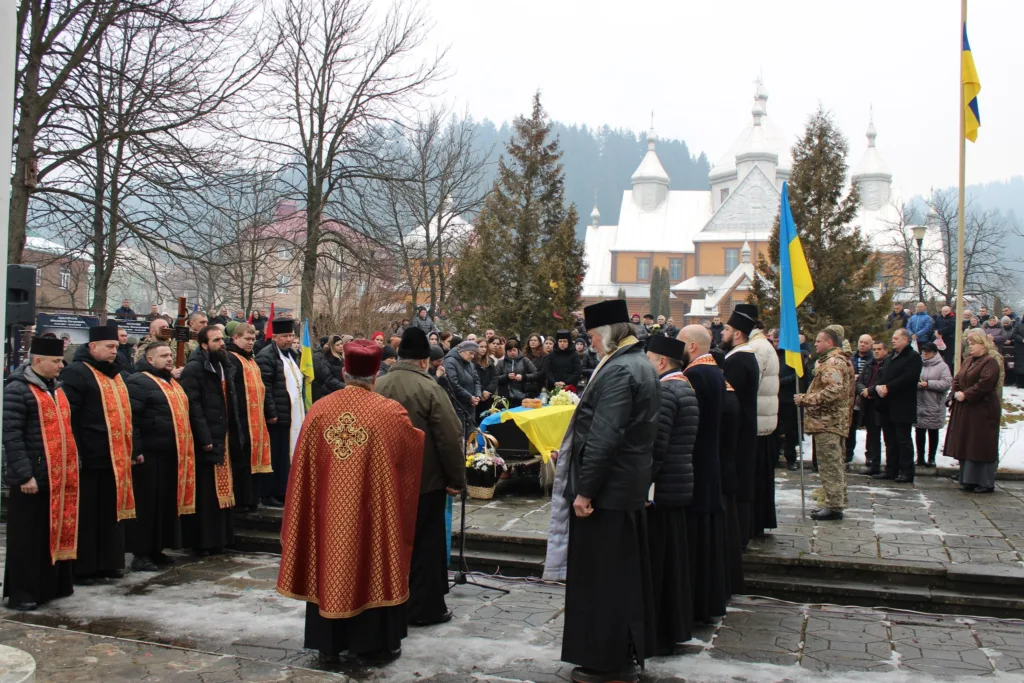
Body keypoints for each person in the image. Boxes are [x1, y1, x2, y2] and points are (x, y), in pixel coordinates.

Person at [277, 340, 425, 663]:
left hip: (327, 515)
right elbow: (413, 447)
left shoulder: (319, 410)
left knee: (330, 564)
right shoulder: (389, 413)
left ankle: (328, 643)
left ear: (344, 372)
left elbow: (302, 468)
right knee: (372, 562)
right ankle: (372, 645)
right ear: (375, 376)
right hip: (371, 516)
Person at [545, 299, 658, 683]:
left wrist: (585, 490)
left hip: (606, 494)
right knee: (619, 575)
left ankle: (603, 660)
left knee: (601, 580)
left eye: (592, 336)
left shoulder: (619, 370)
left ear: (608, 333)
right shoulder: (637, 363)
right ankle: (617, 653)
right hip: (624, 486)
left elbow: (606, 437)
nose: (590, 343)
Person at [375, 328, 465, 627]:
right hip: (425, 484)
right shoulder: (430, 389)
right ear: (425, 361)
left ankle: (386, 604)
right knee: (426, 546)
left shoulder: (378, 385)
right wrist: (456, 479)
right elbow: (449, 437)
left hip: (383, 482)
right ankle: (424, 609)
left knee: (387, 545)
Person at [3, 336, 78, 610]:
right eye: (56, 361)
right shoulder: (18, 389)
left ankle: (52, 585)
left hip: (57, 476)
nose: (61, 365)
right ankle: (23, 593)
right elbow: (12, 435)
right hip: (32, 477)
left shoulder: (56, 389)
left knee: (51, 533)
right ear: (37, 361)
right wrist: (24, 475)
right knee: (28, 538)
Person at [61, 323, 136, 584]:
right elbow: (71, 417)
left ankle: (109, 562)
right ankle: (85, 567)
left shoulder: (116, 374)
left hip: (116, 457)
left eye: (116, 346)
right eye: (110, 347)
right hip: (90, 456)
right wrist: (77, 453)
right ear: (93, 347)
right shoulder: (76, 373)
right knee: (89, 514)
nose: (115, 351)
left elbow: (127, 416)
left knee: (110, 512)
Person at [644, 335, 698, 655]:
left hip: (664, 488)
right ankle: (674, 628)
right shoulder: (685, 387)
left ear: (662, 362)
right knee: (674, 561)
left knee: (662, 563)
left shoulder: (665, 390)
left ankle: (661, 631)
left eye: (649, 358)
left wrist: (644, 485)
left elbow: (657, 446)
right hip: (679, 484)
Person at [677, 325, 732, 624]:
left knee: (696, 536)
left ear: (693, 347)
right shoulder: (715, 372)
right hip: (710, 460)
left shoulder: (695, 375)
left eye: (680, 344)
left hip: (696, 462)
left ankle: (697, 603)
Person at [124, 342, 195, 571]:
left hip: (170, 454)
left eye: (170, 355)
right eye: (163, 355)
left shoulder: (171, 382)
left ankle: (157, 548)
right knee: (147, 506)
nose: (169, 358)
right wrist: (136, 450)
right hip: (149, 455)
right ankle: (141, 553)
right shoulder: (139, 381)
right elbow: (131, 418)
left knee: (163, 504)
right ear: (150, 359)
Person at [179, 326, 240, 555]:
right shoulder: (195, 368)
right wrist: (205, 437)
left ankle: (220, 540)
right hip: (205, 438)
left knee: (222, 493)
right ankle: (202, 542)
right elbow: (193, 407)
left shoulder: (223, 365)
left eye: (222, 339)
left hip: (221, 433)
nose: (222, 343)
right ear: (204, 344)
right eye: (216, 340)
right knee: (206, 492)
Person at [794, 327, 855, 521]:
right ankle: (835, 500)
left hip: (828, 423)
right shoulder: (833, 360)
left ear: (829, 343)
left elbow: (834, 391)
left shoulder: (832, 363)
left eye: (819, 341)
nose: (816, 344)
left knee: (830, 465)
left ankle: (834, 504)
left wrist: (806, 399)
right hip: (830, 422)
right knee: (833, 464)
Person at [736, 305, 779, 540]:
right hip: (763, 418)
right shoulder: (762, 345)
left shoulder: (756, 348)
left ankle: (754, 523)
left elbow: (752, 382)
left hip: (758, 420)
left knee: (756, 478)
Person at [719, 306, 760, 549]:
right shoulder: (744, 357)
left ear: (737, 334)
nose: (722, 333)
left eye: (726, 329)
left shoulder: (738, 360)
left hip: (738, 433)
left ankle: (737, 536)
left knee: (739, 481)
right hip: (744, 429)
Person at [946, 330, 1003, 494]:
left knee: (981, 444)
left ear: (982, 344)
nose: (970, 347)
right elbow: (958, 378)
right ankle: (968, 479)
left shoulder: (990, 362)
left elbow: (986, 383)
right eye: (969, 344)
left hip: (983, 410)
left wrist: (967, 394)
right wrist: (954, 394)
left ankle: (984, 482)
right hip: (967, 409)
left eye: (973, 344)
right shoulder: (969, 361)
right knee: (967, 443)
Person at [256, 318, 305, 508]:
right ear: (274, 337)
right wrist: (272, 412)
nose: (289, 339)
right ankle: (271, 493)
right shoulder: (266, 356)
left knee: (286, 456)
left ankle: (284, 490)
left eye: (291, 335)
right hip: (277, 417)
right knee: (276, 456)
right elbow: (265, 387)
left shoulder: (291, 355)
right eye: (285, 336)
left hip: (291, 415)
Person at [225, 323, 273, 511]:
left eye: (253, 339)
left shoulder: (251, 360)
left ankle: (252, 498)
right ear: (235, 338)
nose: (251, 343)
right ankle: (241, 500)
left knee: (254, 459)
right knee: (241, 460)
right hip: (240, 419)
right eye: (247, 339)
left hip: (255, 419)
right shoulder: (232, 358)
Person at [870, 328, 923, 483]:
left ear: (906, 340)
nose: (893, 340)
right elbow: (884, 375)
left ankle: (906, 471)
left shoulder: (913, 357)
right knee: (889, 439)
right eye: (892, 338)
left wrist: (889, 387)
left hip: (903, 404)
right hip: (887, 404)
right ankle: (891, 469)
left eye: (896, 338)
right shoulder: (891, 357)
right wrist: (878, 387)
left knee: (903, 439)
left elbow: (908, 377)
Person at [916, 342, 952, 468]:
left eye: (928, 351)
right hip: (919, 403)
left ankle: (931, 458)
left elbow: (947, 383)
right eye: (923, 351)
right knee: (919, 431)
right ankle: (920, 457)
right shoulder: (918, 364)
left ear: (935, 353)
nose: (925, 354)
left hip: (934, 404)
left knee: (933, 432)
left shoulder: (943, 366)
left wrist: (928, 384)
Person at [856, 341, 888, 476]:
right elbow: (859, 381)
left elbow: (885, 382)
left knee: (887, 436)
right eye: (874, 349)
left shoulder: (888, 364)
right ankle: (872, 462)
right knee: (872, 435)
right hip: (868, 403)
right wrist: (863, 390)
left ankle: (890, 465)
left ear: (886, 350)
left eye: (879, 349)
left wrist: (871, 391)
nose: (876, 351)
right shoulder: (869, 364)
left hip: (882, 403)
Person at [442, 340, 482, 431]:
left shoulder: (470, 364)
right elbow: (453, 384)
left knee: (471, 433)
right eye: (470, 353)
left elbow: (477, 381)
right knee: (459, 432)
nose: (472, 356)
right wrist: (469, 397)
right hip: (457, 404)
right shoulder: (450, 362)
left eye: (474, 354)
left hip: (471, 405)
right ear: (461, 351)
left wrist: (477, 396)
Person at [847, 335, 874, 463]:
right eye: (860, 342)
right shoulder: (851, 358)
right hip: (851, 396)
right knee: (850, 426)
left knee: (871, 427)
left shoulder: (873, 359)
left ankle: (871, 456)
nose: (862, 345)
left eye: (865, 343)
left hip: (867, 395)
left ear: (870, 345)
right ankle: (848, 453)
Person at [495, 339, 539, 407]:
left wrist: (524, 377)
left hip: (524, 395)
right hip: (505, 398)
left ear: (518, 350)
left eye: (514, 350)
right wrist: (506, 377)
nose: (512, 352)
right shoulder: (501, 363)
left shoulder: (525, 360)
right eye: (509, 351)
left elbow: (536, 374)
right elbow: (494, 379)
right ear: (506, 352)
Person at [314, 335, 345, 399]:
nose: (340, 346)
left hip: (343, 392)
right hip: (331, 394)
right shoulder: (326, 359)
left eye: (341, 343)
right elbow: (328, 379)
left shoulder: (343, 358)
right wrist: (344, 386)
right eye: (337, 345)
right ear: (332, 346)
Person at [473, 340, 498, 419]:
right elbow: (473, 379)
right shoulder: (471, 362)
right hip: (476, 396)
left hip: (488, 396)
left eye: (485, 347)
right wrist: (481, 392)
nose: (484, 349)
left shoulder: (490, 362)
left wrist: (488, 390)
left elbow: (494, 377)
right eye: (481, 347)